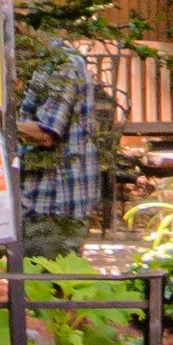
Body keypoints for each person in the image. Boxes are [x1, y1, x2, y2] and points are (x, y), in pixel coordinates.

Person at [13, 36, 102, 260]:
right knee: (32, 290)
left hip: (55, 206)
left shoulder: (63, 65)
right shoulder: (42, 63)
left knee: (47, 289)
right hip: (38, 203)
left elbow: (46, 134)